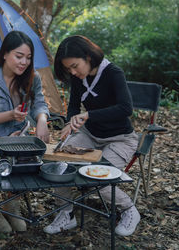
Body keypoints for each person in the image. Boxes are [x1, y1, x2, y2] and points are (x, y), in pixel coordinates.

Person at [43, 35, 140, 237]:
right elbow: (73, 105)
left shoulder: (113, 73)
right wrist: (71, 122)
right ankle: (66, 213)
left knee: (99, 179)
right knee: (60, 165)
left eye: (75, 66)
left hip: (120, 138)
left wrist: (88, 115)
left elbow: (125, 108)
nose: (73, 72)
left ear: (88, 56)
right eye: (68, 69)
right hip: (90, 134)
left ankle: (129, 209)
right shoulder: (79, 78)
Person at [0, 30, 50, 232]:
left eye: (28, 58)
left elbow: (40, 103)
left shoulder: (33, 77)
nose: (24, 62)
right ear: (5, 54)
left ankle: (11, 204)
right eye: (19, 56)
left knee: (23, 156)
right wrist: (10, 115)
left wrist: (42, 120)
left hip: (17, 132)